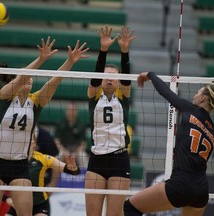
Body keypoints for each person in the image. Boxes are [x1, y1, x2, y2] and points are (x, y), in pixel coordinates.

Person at [0, 36, 89, 216]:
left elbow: (54, 81)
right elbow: (23, 76)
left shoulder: (36, 101)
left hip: (20, 166)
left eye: (31, 78)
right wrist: (41, 59)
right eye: (26, 76)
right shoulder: (5, 96)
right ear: (15, 80)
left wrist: (69, 62)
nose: (29, 79)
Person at [123, 66, 214, 216]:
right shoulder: (213, 132)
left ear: (203, 98)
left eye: (197, 93)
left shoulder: (190, 109)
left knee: (130, 207)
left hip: (181, 184)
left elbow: (166, 92)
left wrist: (150, 74)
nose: (194, 96)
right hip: (201, 190)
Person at [85, 25, 136, 216]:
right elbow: (96, 78)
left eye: (113, 78)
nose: (108, 80)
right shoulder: (94, 95)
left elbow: (127, 80)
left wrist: (124, 51)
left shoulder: (123, 96)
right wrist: (103, 49)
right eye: (105, 76)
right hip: (96, 159)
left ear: (118, 81)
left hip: (119, 160)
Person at [4, 130, 80, 216]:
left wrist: (73, 169)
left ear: (34, 143)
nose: (26, 140)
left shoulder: (42, 159)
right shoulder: (12, 160)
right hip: (18, 205)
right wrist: (7, 199)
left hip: (39, 206)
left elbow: (72, 171)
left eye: (29, 138)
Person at [54, 101, 88, 167]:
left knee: (83, 156)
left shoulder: (81, 125)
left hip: (77, 152)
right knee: (58, 157)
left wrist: (75, 153)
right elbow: (56, 140)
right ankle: (55, 177)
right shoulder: (60, 124)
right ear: (66, 111)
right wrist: (64, 152)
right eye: (69, 110)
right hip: (63, 150)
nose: (71, 112)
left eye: (73, 110)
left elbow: (83, 143)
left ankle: (84, 177)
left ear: (77, 111)